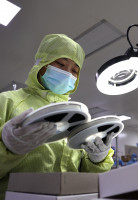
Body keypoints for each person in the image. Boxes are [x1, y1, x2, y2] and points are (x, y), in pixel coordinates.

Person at [0, 34, 114, 200]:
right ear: (42, 63)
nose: (68, 73)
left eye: (75, 70)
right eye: (60, 64)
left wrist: (97, 161)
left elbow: (85, 179)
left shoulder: (77, 117)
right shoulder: (7, 101)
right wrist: (9, 149)